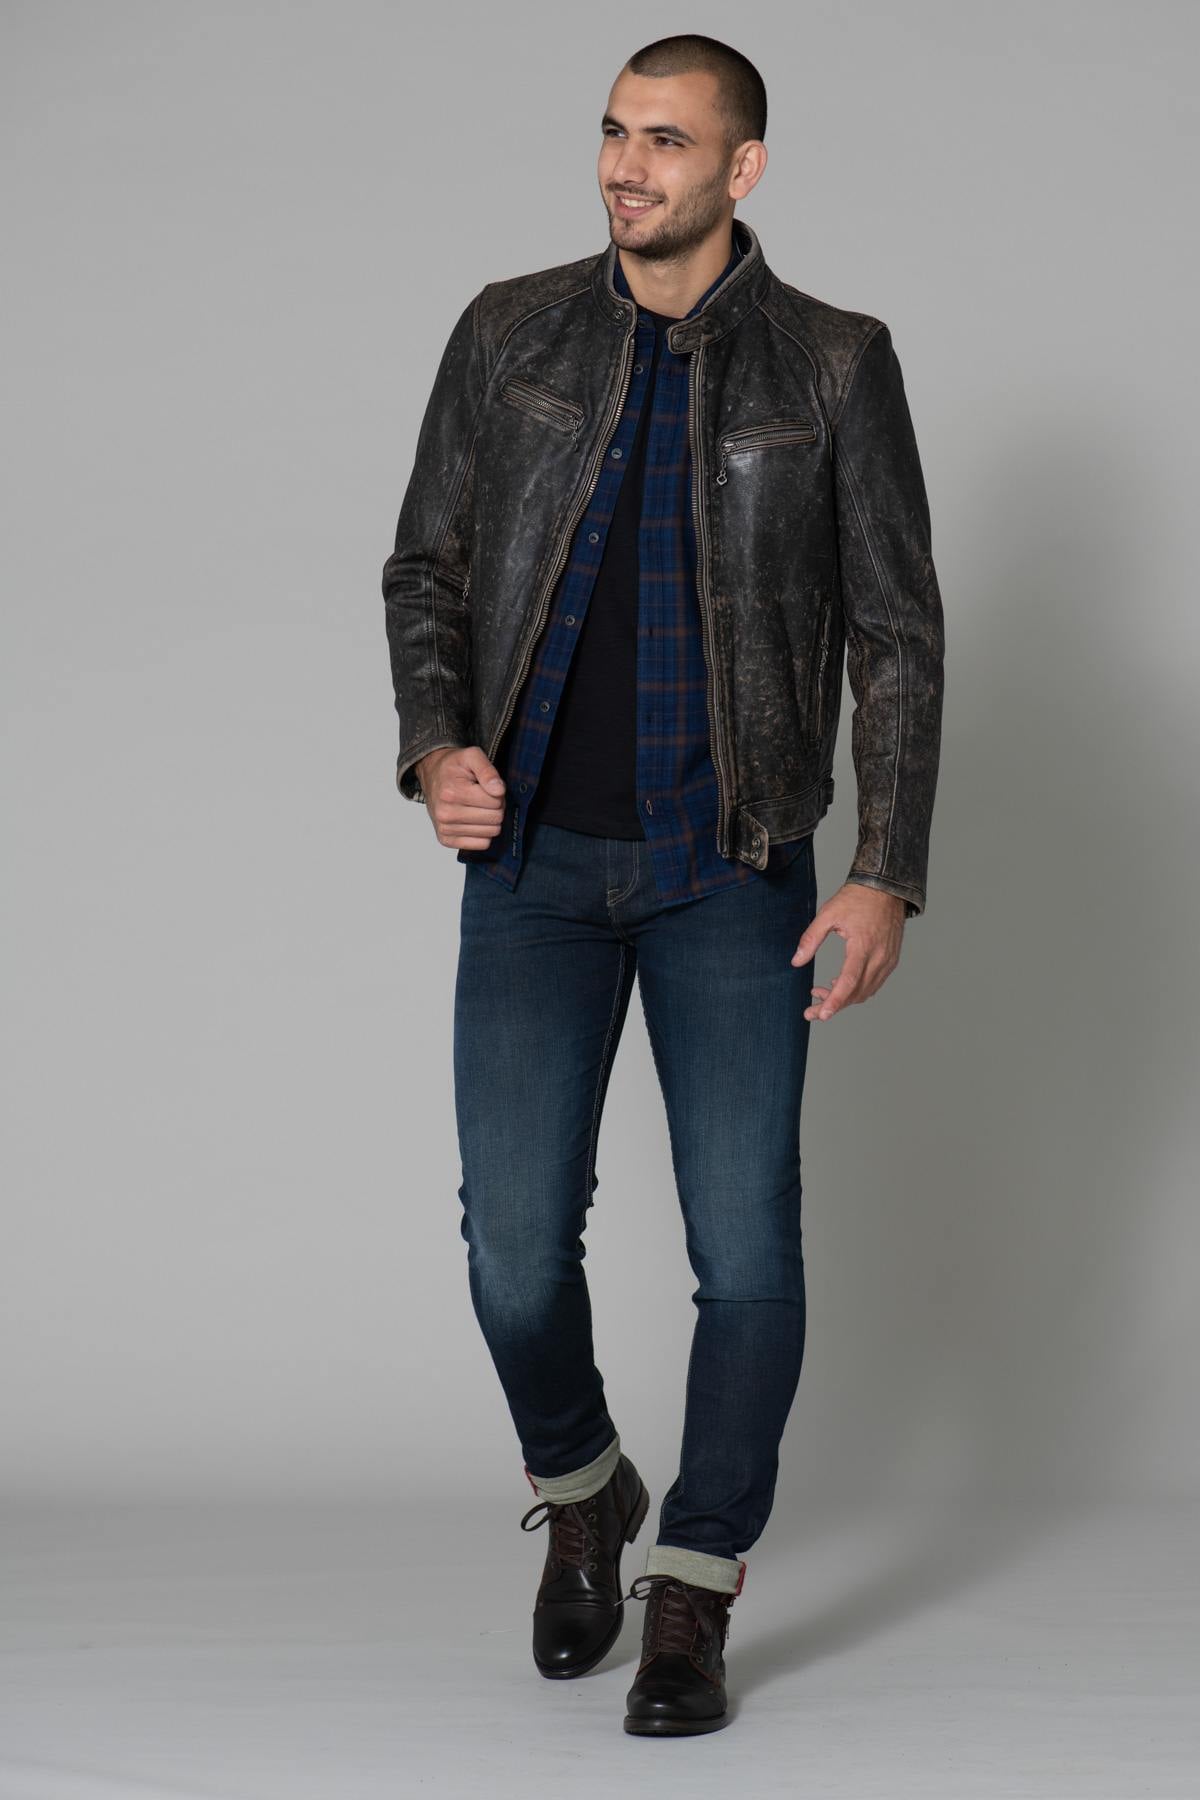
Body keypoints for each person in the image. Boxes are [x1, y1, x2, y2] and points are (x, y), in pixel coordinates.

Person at [381, 31, 945, 1739]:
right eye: (617, 132)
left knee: (748, 1254)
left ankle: (693, 1582)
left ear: (742, 168)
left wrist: (885, 872)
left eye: (669, 141)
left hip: (735, 863)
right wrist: (435, 744)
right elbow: (426, 567)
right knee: (512, 1256)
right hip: (533, 864)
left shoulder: (834, 364)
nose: (628, 166)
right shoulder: (510, 332)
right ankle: (585, 1486)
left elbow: (897, 636)